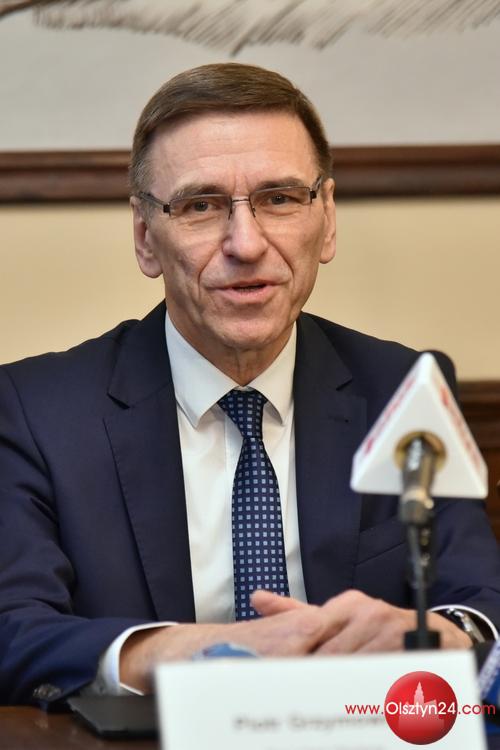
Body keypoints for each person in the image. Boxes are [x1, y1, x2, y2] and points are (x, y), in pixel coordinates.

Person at [0, 63, 499, 707]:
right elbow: (15, 630)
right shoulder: (36, 411)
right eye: (200, 205)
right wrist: (191, 652)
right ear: (145, 238)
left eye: (280, 198)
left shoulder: (403, 391)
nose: (246, 243)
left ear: (327, 220)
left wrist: (437, 638)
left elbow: (483, 605)